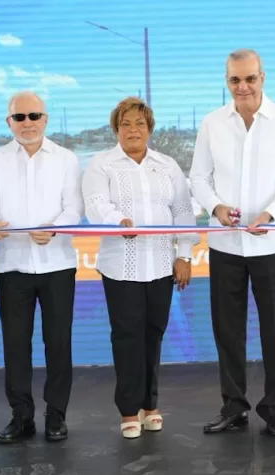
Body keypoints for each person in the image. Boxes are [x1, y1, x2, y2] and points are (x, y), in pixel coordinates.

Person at [189, 49, 275, 437]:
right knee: (227, 330)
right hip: (225, 245)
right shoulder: (211, 123)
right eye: (235, 80)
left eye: (250, 79)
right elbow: (199, 178)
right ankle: (233, 407)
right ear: (227, 81)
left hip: (271, 245)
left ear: (263, 77)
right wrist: (216, 206)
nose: (243, 87)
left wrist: (269, 214)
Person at [84, 96, 197, 439]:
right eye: (126, 124)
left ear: (150, 129)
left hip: (163, 264)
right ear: (116, 129)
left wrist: (185, 255)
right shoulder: (101, 165)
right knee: (127, 336)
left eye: (140, 124)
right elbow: (95, 205)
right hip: (120, 267)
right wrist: (119, 221)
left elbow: (183, 212)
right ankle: (129, 410)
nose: (133, 129)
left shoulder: (167, 165)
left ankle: (151, 406)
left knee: (153, 334)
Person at [0, 91, 82, 443]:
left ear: (46, 119)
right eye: (19, 118)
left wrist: (54, 228)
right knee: (15, 345)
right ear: (9, 122)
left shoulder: (66, 159)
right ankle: (21, 416)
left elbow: (73, 209)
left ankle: (56, 415)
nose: (28, 123)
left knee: (58, 342)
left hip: (58, 264)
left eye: (34, 116)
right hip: (12, 266)